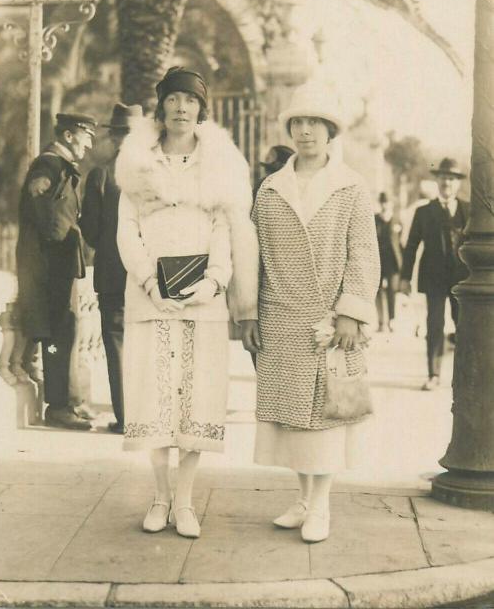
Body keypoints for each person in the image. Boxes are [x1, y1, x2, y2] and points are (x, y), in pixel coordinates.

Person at [115, 66, 257, 539]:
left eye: (190, 101)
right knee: (152, 397)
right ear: (161, 106)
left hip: (203, 301)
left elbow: (225, 228)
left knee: (197, 398)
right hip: (149, 297)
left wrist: (215, 282)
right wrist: (149, 281)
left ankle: (186, 501)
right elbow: (126, 231)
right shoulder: (136, 160)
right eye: (173, 100)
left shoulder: (219, 163)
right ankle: (159, 496)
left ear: (201, 109)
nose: (181, 109)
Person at [241, 82, 380, 544]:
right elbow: (254, 254)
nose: (305, 132)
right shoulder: (270, 187)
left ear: (330, 131)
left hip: (329, 320)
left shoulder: (350, 186)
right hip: (280, 314)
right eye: (298, 123)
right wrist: (249, 313)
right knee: (292, 418)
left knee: (326, 416)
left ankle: (321, 506)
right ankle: (303, 499)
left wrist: (350, 312)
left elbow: (362, 251)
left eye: (315, 124)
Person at [16, 113, 97, 430]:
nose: (89, 145)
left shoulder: (61, 168)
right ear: (68, 135)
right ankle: (58, 406)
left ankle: (70, 401)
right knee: (55, 333)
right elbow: (48, 221)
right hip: (49, 266)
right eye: (85, 137)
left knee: (66, 331)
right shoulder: (48, 167)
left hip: (59, 264)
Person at [80, 102, 143, 434]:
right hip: (149, 275)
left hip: (112, 274)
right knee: (147, 342)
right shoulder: (155, 173)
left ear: (115, 137)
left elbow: (89, 229)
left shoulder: (100, 175)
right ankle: (148, 416)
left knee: (117, 342)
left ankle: (126, 417)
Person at [399, 157, 470, 390]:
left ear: (458, 183)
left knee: (464, 325)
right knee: (434, 325)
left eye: (451, 178)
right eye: (443, 178)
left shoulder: (469, 210)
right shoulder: (424, 212)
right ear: (437, 181)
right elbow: (411, 246)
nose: (447, 183)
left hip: (463, 280)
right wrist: (404, 278)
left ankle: (464, 376)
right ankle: (434, 374)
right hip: (434, 278)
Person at [375, 192, 403, 333]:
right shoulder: (374, 220)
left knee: (392, 291)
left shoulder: (396, 220)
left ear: (391, 204)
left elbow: (400, 242)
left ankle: (392, 320)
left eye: (387, 202)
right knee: (377, 290)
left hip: (392, 262)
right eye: (383, 202)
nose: (385, 205)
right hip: (378, 261)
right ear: (380, 204)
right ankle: (381, 321)